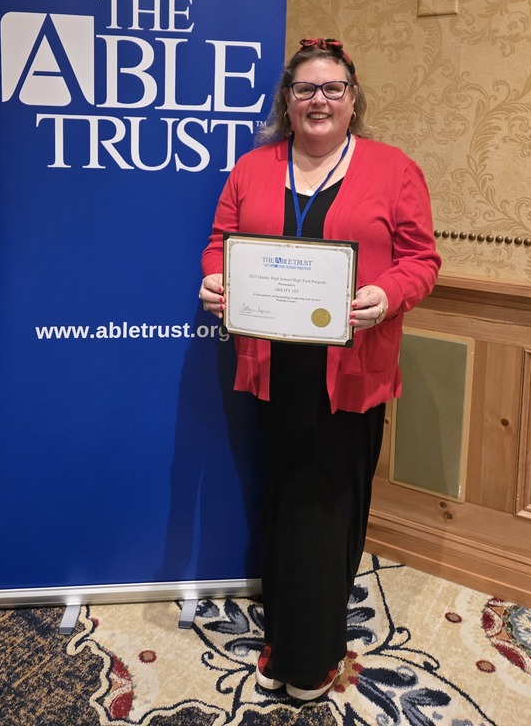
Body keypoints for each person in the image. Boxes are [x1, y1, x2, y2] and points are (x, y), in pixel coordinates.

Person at [199, 37, 440, 701]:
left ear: (353, 99)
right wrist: (215, 281)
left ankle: (307, 657)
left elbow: (422, 260)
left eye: (332, 87)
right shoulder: (253, 169)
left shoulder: (393, 170)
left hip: (352, 366)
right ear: (287, 101)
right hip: (273, 366)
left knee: (323, 503)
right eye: (305, 89)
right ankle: (293, 614)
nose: (319, 100)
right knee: (284, 492)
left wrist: (386, 296)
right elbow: (221, 244)